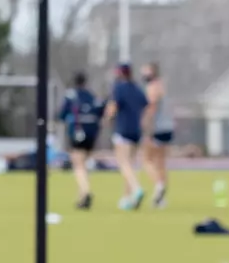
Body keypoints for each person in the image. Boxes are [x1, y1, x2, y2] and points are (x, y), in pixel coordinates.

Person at [103, 61, 148, 210]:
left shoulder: (119, 88)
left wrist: (107, 119)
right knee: (131, 165)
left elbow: (112, 107)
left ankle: (136, 189)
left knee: (123, 163)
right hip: (136, 131)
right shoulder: (136, 88)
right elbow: (145, 105)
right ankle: (127, 199)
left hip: (123, 130)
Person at [58, 71, 102, 209]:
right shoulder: (92, 96)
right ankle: (82, 196)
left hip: (78, 131)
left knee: (78, 164)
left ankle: (86, 191)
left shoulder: (71, 95)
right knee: (83, 163)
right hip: (92, 133)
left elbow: (62, 114)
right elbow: (100, 112)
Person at [141, 61, 173, 208]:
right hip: (168, 127)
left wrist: (146, 125)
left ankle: (158, 185)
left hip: (157, 129)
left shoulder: (152, 87)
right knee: (161, 163)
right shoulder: (162, 86)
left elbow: (151, 108)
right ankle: (160, 198)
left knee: (146, 159)